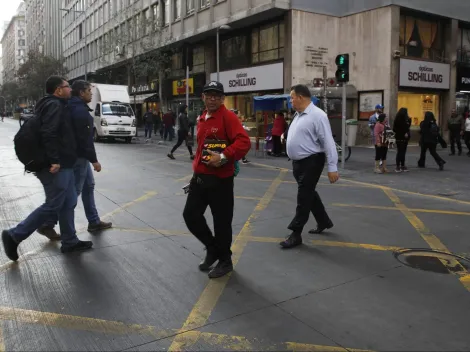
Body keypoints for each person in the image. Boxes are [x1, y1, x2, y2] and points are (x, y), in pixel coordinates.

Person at [2, 76, 93, 261]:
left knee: (68, 203)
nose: (70, 90)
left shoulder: (57, 104)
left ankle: (70, 241)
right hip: (54, 166)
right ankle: (14, 235)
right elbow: (49, 133)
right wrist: (55, 160)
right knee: (54, 204)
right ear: (58, 90)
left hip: (63, 163)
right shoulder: (54, 105)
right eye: (67, 87)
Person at [182, 81, 251, 279]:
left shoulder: (228, 117)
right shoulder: (202, 117)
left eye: (216, 96)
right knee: (190, 216)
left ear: (222, 99)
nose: (212, 98)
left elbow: (244, 142)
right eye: (208, 94)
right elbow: (202, 149)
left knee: (222, 223)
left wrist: (223, 157)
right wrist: (195, 173)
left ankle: (225, 261)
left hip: (221, 180)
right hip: (200, 179)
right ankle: (212, 249)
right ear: (203, 97)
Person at [281, 84, 339, 249]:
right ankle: (324, 221)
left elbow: (328, 142)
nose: (290, 101)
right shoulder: (298, 115)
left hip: (312, 161)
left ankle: (296, 233)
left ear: (300, 97)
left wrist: (332, 167)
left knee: (304, 197)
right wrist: (285, 136)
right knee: (309, 193)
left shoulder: (318, 115)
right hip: (298, 163)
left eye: (292, 97)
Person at [393, 108, 411, 172]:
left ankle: (398, 166)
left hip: (398, 137)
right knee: (403, 152)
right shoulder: (407, 120)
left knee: (399, 151)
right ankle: (402, 165)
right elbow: (408, 128)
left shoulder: (397, 119)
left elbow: (394, 129)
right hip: (404, 138)